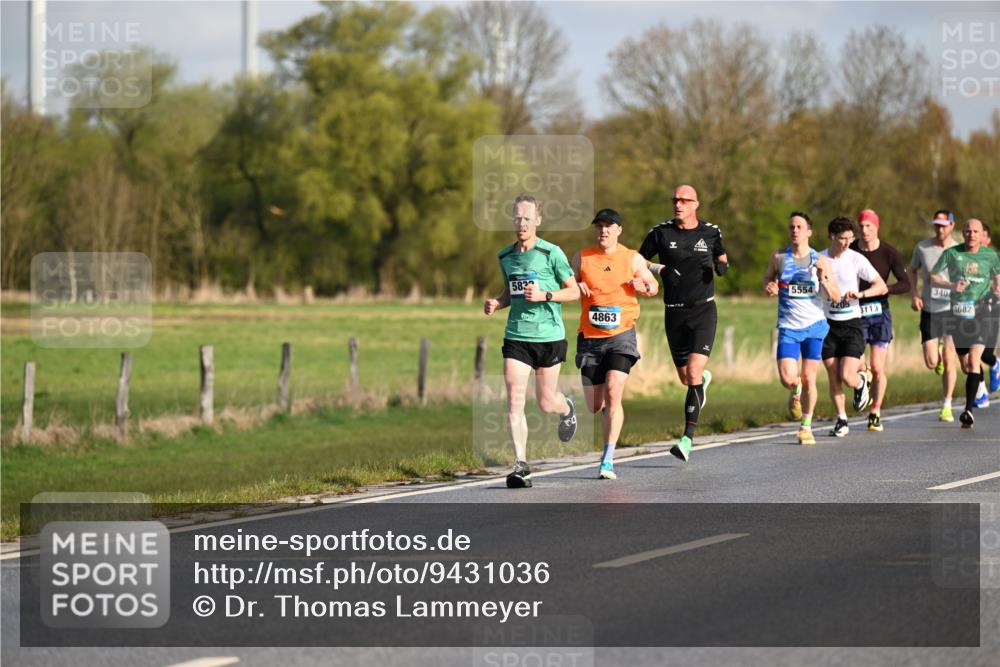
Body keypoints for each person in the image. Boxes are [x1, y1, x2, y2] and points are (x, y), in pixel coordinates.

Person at [484, 194, 581, 488]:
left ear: (537, 220)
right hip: (516, 337)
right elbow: (508, 292)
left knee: (545, 402)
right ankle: (521, 464)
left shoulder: (552, 253)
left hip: (549, 337)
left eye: (527, 218)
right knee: (514, 399)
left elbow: (574, 291)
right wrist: (496, 304)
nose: (522, 223)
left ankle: (567, 408)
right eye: (517, 218)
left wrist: (545, 295)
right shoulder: (505, 257)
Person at [639, 184, 728, 462]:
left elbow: (721, 254)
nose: (678, 204)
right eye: (675, 199)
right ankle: (702, 383)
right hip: (673, 312)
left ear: (695, 204)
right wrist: (660, 269)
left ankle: (687, 439)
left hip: (703, 311)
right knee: (685, 378)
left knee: (692, 373)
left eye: (684, 200)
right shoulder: (660, 233)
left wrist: (722, 265)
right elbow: (638, 262)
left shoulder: (711, 231)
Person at [572, 208, 658, 479]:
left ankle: (608, 458)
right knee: (594, 406)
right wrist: (577, 288)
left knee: (614, 391)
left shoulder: (632, 258)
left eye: (609, 226)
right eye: (599, 226)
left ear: (619, 230)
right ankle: (574, 408)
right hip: (590, 339)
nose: (603, 231)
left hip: (622, 336)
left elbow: (653, 286)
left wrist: (643, 286)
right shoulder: (582, 258)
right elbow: (566, 285)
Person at [763, 212, 840, 445]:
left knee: (809, 378)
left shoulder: (821, 260)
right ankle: (795, 391)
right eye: (791, 227)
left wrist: (823, 277)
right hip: (788, 326)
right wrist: (770, 285)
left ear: (809, 232)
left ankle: (806, 426)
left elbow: (835, 297)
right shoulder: (779, 257)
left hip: (814, 327)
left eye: (799, 227)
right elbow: (767, 278)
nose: (795, 230)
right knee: (788, 377)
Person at [820, 217, 888, 437]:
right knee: (833, 375)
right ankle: (841, 419)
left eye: (850, 238)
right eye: (842, 239)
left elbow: (881, 286)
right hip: (827, 324)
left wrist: (860, 294)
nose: (847, 243)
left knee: (848, 376)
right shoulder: (820, 258)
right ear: (831, 236)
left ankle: (861, 383)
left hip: (852, 324)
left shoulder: (856, 259)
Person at [930, 218, 1000, 429]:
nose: (971, 235)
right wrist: (951, 285)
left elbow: (997, 278)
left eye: (975, 232)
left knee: (974, 360)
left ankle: (968, 410)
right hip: (958, 314)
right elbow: (933, 276)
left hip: (981, 313)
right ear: (963, 233)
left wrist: (996, 290)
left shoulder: (990, 256)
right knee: (965, 362)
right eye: (968, 231)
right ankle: (977, 392)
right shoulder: (952, 253)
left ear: (981, 235)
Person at [849, 209, 911, 432]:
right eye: (861, 226)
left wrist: (887, 289)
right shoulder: (851, 249)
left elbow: (906, 283)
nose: (865, 231)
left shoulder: (889, 252)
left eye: (869, 226)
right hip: (854, 313)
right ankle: (862, 383)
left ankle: (875, 411)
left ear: (877, 227)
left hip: (879, 314)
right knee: (857, 364)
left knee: (877, 366)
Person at [909, 210, 960, 421]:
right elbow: (911, 270)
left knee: (950, 357)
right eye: (937, 225)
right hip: (930, 310)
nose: (940, 229)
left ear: (952, 226)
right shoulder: (922, 247)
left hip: (952, 309)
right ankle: (936, 352)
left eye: (944, 225)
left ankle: (947, 404)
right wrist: (914, 295)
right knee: (931, 362)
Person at [974, 223, 1000, 405]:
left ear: (988, 239)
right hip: (971, 311)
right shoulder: (969, 259)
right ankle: (980, 389)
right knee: (972, 353)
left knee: (984, 354)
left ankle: (995, 364)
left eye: (982, 235)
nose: (978, 238)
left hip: (993, 309)